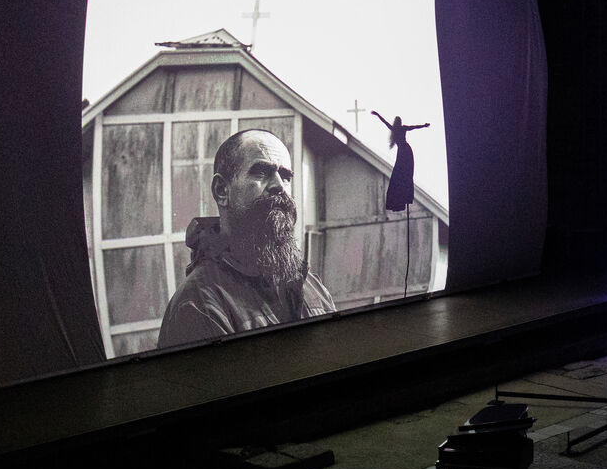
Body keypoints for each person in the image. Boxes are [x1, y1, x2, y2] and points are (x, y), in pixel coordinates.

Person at [156, 129, 335, 349]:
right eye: (261, 173)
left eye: (286, 176)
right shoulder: (197, 305)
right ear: (222, 191)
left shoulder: (310, 284)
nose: (279, 186)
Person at [370, 111, 429, 211]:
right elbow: (413, 127)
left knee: (402, 173)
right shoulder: (400, 128)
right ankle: (400, 196)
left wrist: (423, 125)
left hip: (404, 151)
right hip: (404, 151)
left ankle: (402, 193)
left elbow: (413, 127)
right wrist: (377, 115)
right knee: (400, 173)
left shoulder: (397, 129)